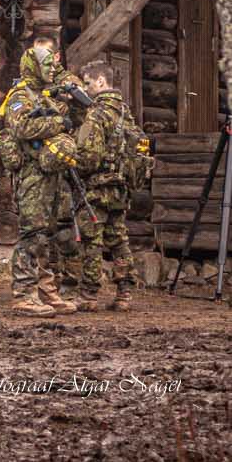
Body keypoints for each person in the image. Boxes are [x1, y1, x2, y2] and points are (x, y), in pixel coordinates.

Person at [0, 39, 79, 317]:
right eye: (46, 65)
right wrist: (58, 123)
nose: (51, 69)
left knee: (46, 234)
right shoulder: (20, 96)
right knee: (31, 234)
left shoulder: (45, 95)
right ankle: (23, 294)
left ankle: (46, 289)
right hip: (31, 175)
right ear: (33, 67)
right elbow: (21, 127)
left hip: (50, 174)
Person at [76, 60, 147, 311]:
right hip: (120, 188)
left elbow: (89, 157)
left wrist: (74, 162)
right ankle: (124, 293)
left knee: (91, 241)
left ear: (101, 82)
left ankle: (89, 296)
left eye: (87, 83)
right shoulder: (125, 113)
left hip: (97, 188)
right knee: (118, 240)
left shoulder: (97, 114)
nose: (85, 89)